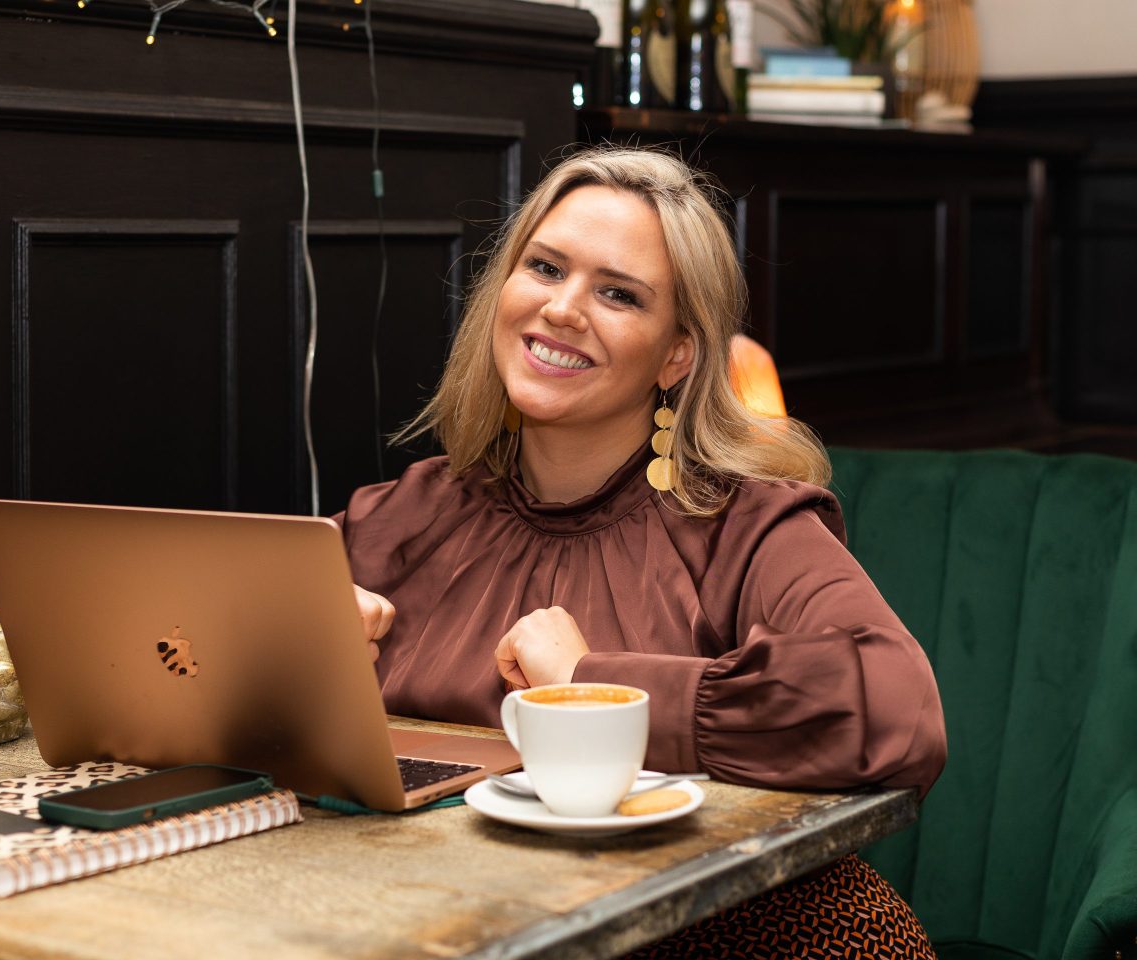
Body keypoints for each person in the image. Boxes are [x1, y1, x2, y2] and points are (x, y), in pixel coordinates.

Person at [335, 146, 946, 958]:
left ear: (676, 355)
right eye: (545, 268)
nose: (561, 309)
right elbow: (168, 657)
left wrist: (590, 689)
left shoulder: (743, 525)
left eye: (618, 293)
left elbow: (893, 706)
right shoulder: (411, 510)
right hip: (448, 927)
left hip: (736, 938)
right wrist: (286, 648)